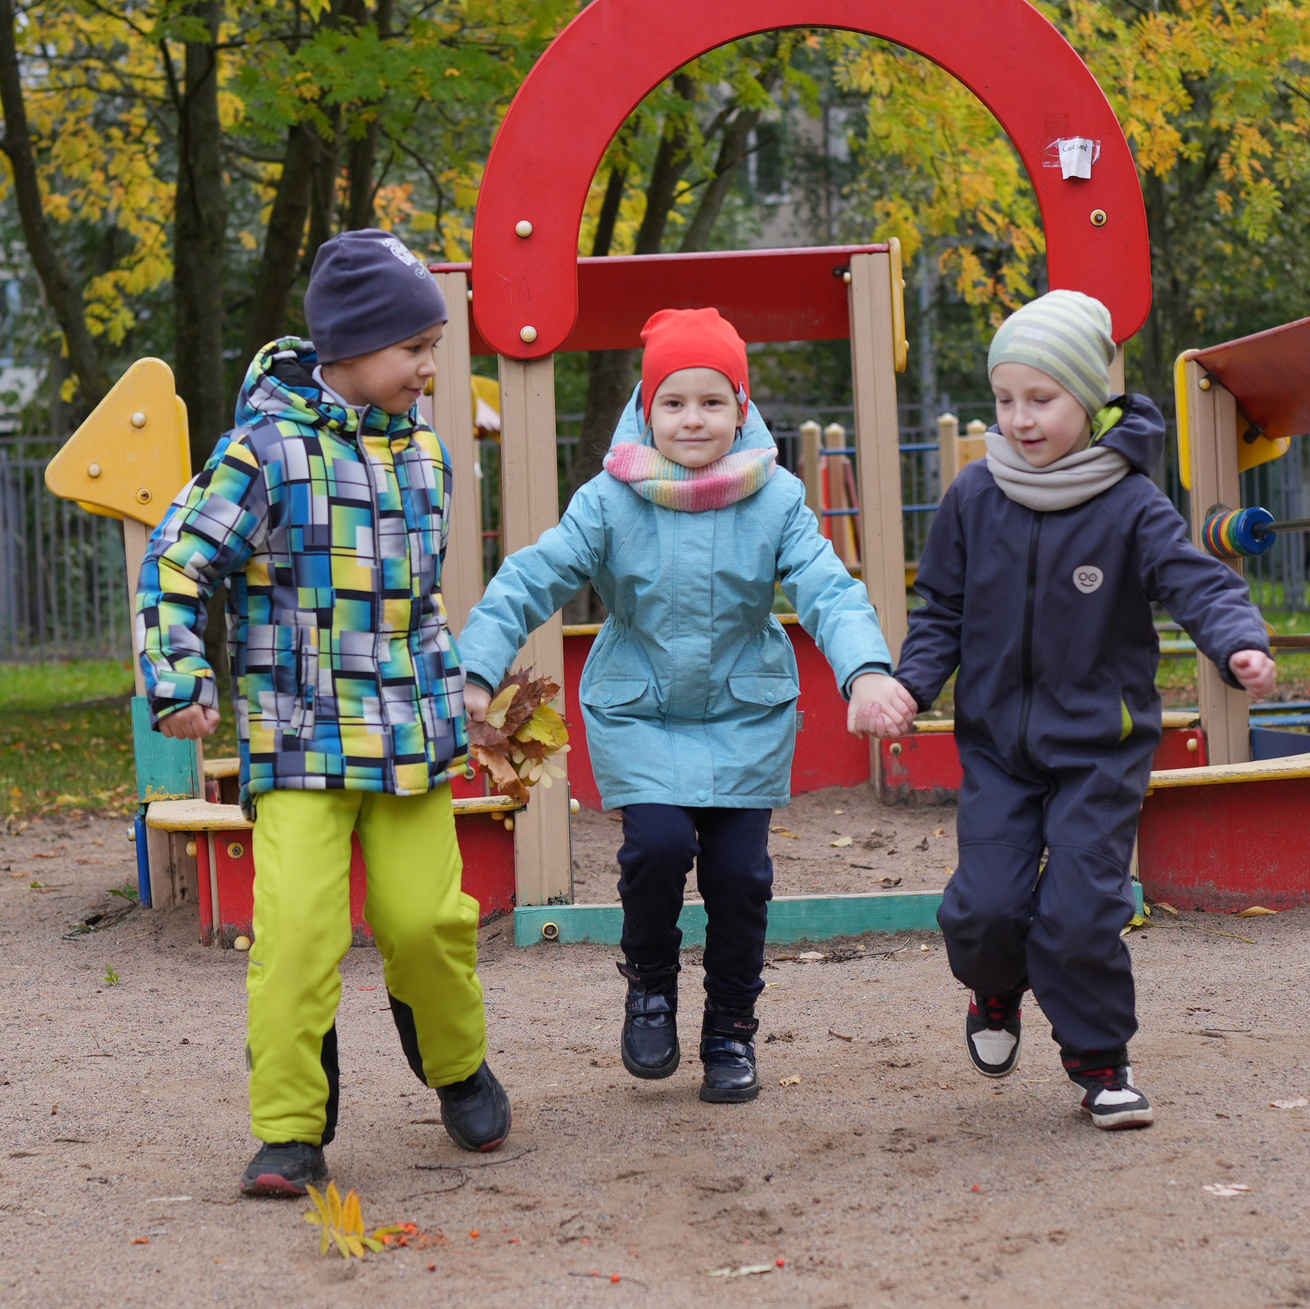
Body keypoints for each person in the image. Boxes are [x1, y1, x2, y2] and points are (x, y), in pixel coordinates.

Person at [136, 229, 511, 1196]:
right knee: (298, 934)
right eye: (414, 347)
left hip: (410, 733)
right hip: (299, 735)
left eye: (434, 346)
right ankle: (291, 1128)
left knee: (425, 921)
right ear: (349, 344)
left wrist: (460, 691)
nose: (429, 367)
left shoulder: (428, 455)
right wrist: (179, 675)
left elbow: (424, 603)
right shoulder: (262, 453)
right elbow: (177, 559)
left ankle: (456, 1062)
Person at [457, 307, 909, 1103]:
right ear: (646, 407)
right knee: (658, 848)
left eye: (711, 401)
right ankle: (651, 986)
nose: (693, 419)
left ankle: (731, 1028)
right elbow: (531, 577)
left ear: (742, 406)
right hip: (642, 708)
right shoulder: (610, 499)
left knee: (740, 875)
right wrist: (476, 668)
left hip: (744, 711)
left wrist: (865, 670)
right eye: (674, 401)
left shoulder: (776, 498)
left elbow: (828, 588)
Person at [862, 290, 1275, 1128]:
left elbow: (1194, 579)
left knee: (1081, 911)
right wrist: (910, 683)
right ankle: (994, 988)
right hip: (999, 749)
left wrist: (1237, 641)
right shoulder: (974, 496)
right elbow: (941, 609)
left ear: (1088, 400)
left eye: (1041, 398)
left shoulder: (1129, 503)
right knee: (984, 909)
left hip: (1098, 749)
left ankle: (1099, 1061)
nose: (1019, 418)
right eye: (1005, 398)